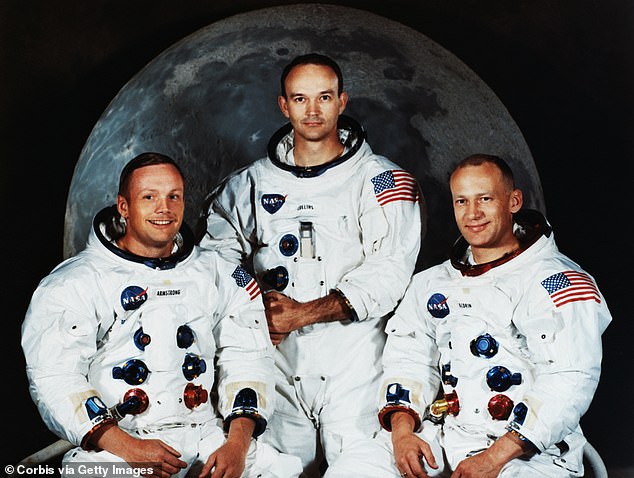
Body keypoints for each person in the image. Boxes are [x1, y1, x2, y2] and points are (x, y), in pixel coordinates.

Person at [197, 53, 424, 476]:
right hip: (277, 359)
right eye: (301, 99)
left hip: (356, 360)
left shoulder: (382, 180)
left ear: (342, 101)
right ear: (284, 106)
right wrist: (257, 305)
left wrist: (302, 314)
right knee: (269, 469)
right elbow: (215, 260)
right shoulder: (247, 185)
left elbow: (389, 271)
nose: (313, 110)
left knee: (362, 469)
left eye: (324, 97)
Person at [325, 154, 612, 477]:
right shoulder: (432, 284)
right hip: (449, 435)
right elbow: (409, 359)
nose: (472, 213)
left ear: (513, 201)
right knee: (353, 468)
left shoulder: (559, 283)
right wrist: (403, 434)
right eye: (462, 201)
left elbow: (569, 381)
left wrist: (492, 459)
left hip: (527, 453)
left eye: (485, 199)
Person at [21, 152, 302, 478]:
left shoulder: (218, 274)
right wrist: (129, 449)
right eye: (149, 197)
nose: (164, 208)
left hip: (206, 436)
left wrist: (236, 446)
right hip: (120, 443)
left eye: (173, 196)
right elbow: (55, 378)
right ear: (123, 206)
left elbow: (248, 357)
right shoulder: (75, 282)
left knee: (279, 470)